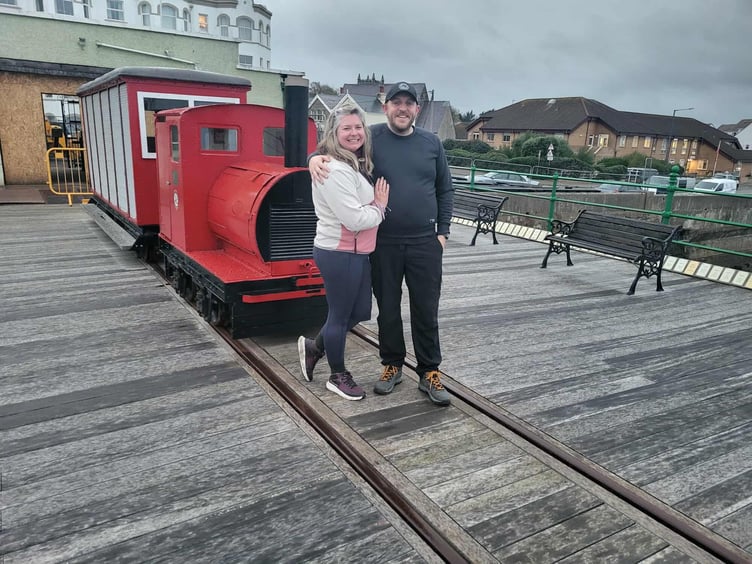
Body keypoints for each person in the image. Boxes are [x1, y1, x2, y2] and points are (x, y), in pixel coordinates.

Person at [309, 82, 454, 406]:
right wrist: (313, 158)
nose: (402, 108)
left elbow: (446, 190)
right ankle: (392, 365)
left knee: (425, 310)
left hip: (425, 243)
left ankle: (429, 371)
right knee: (387, 309)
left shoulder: (432, 143)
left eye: (409, 103)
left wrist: (442, 233)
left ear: (417, 110)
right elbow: (335, 148)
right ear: (385, 107)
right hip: (384, 243)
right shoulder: (371, 138)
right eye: (396, 103)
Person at [297, 104, 390, 401]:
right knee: (339, 315)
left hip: (356, 253)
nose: (354, 133)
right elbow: (354, 220)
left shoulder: (352, 164)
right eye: (346, 128)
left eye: (358, 127)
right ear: (334, 134)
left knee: (359, 312)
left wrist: (371, 207)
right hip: (340, 252)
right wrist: (378, 206)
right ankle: (337, 376)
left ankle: (315, 348)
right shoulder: (335, 170)